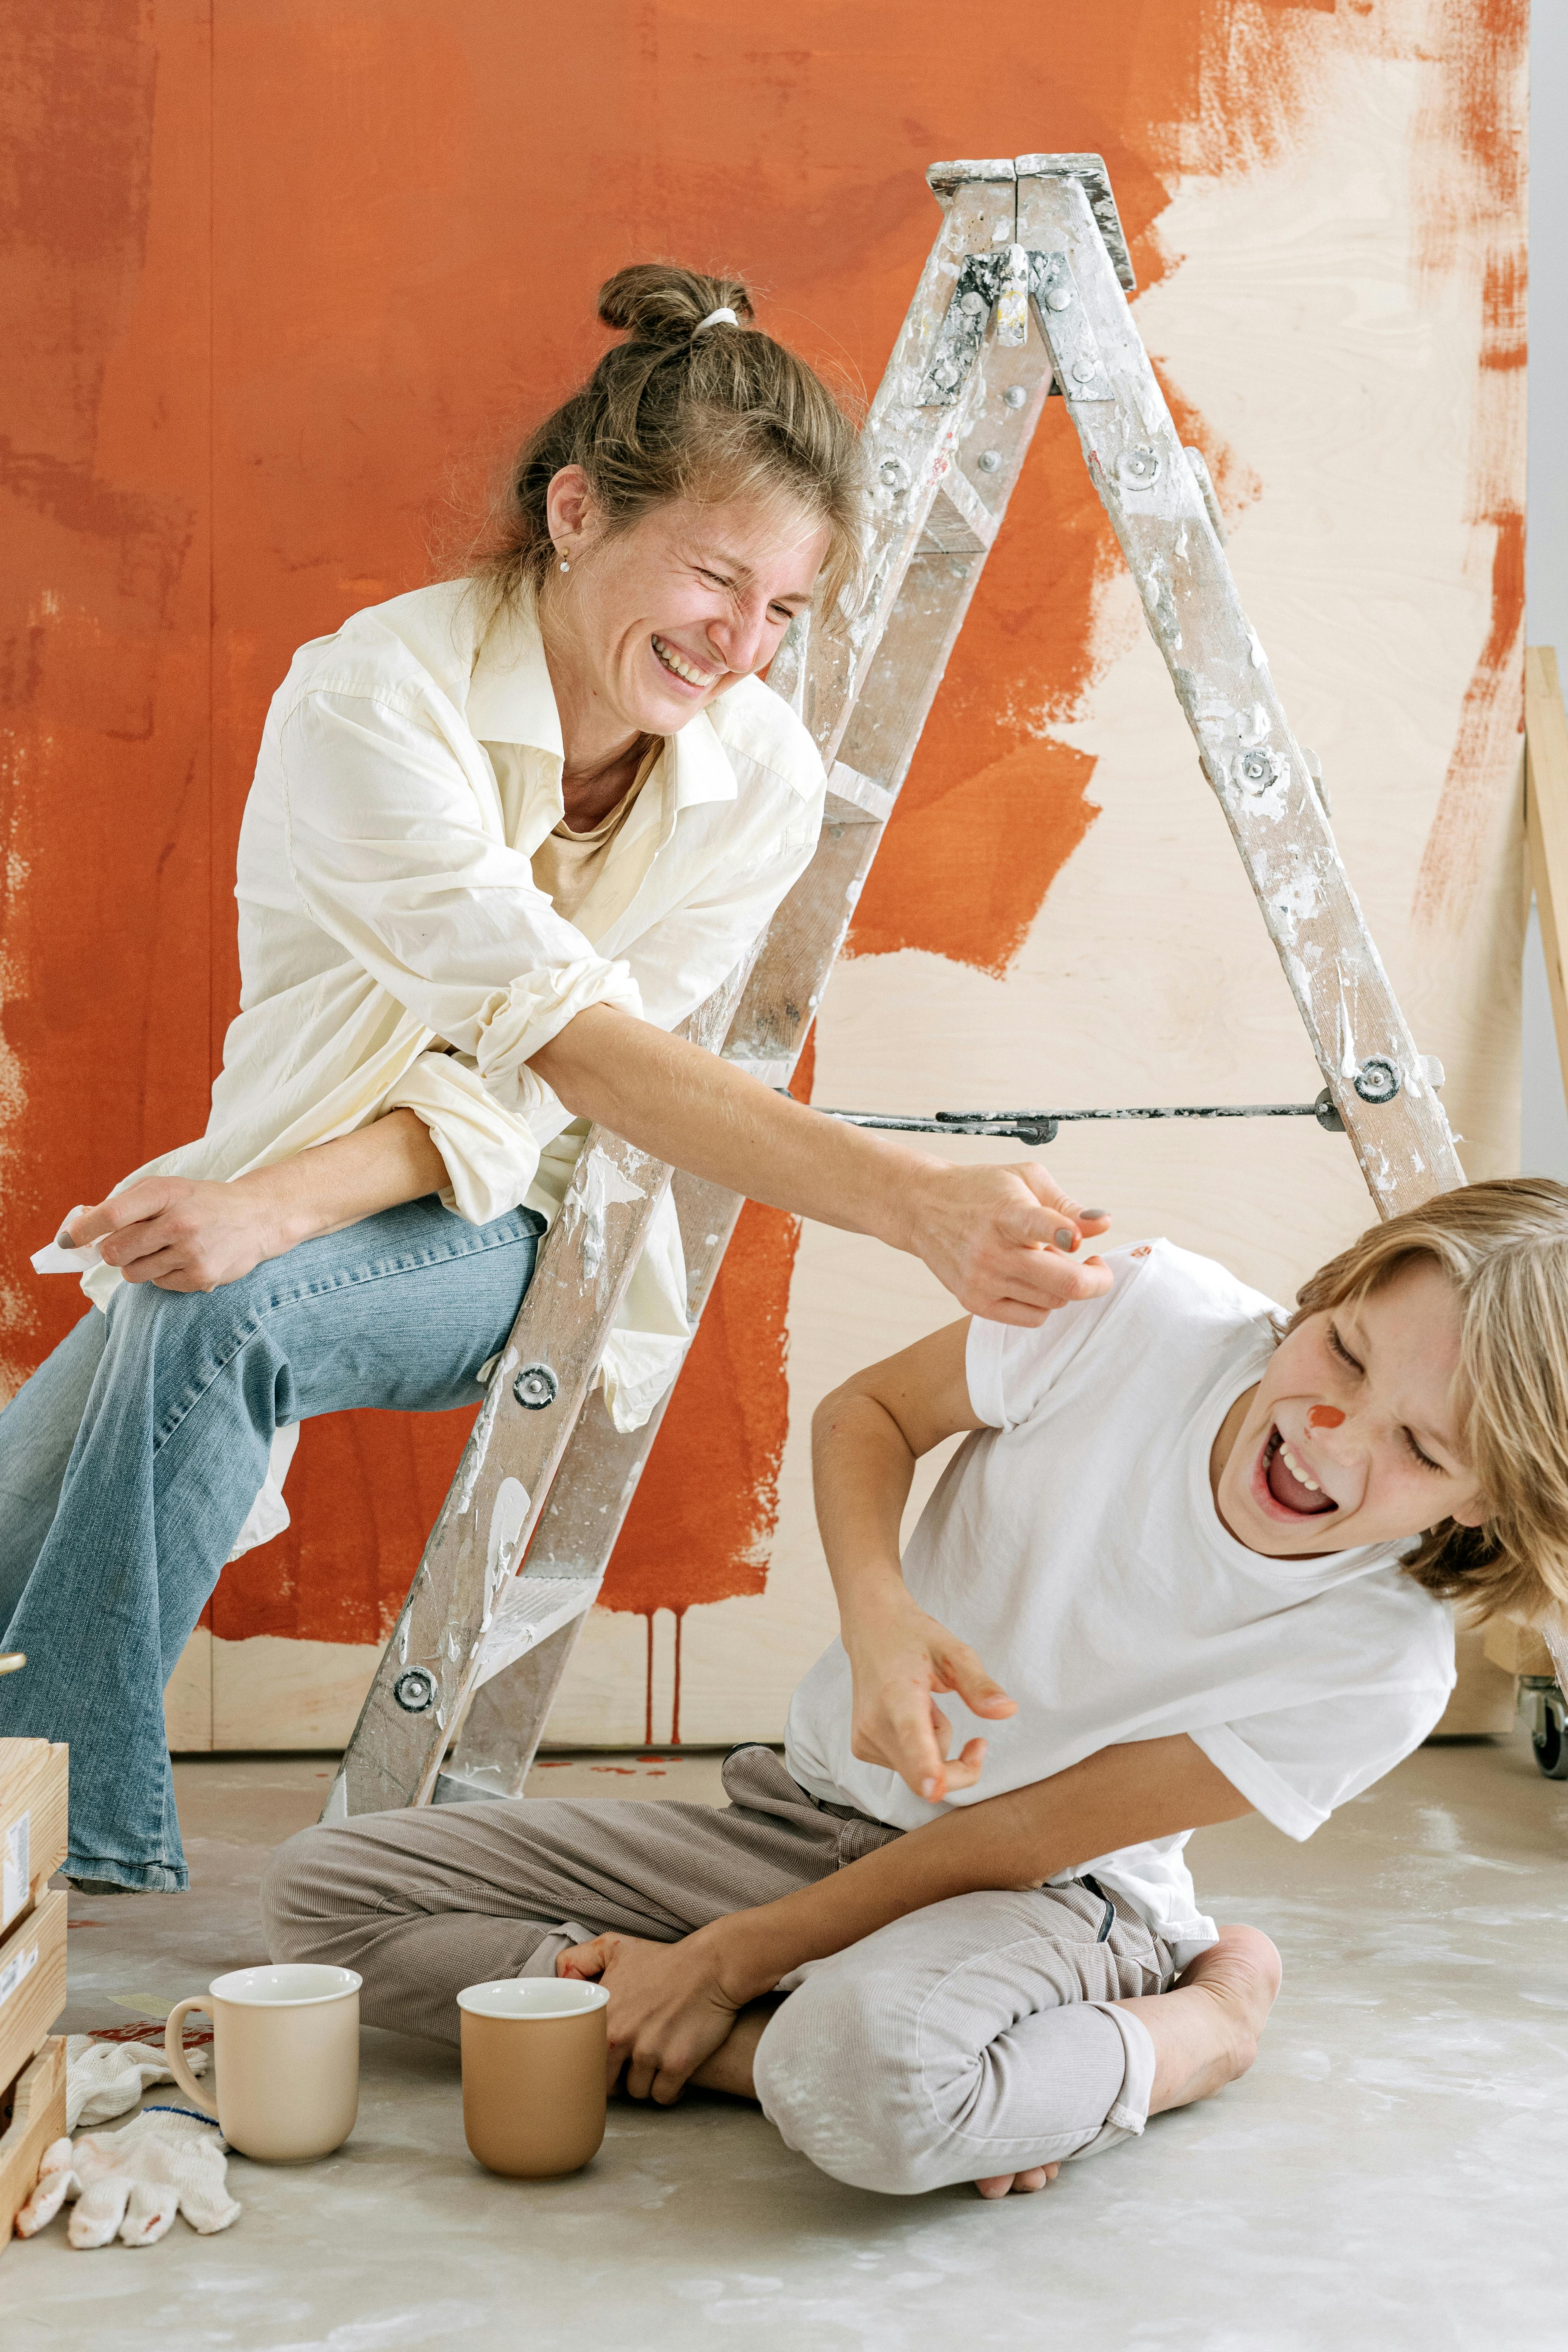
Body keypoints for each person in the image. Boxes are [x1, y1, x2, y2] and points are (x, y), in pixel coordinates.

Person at [0, 263, 1112, 1894]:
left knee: (205, 1315)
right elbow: (555, 1029)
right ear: (578, 510)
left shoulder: (761, 780)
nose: (742, 647)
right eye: (717, 580)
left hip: (539, 1228)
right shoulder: (377, 700)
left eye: (786, 611)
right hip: (300, 1189)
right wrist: (257, 1198)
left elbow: (576, 1090)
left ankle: (76, 1879)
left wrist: (267, 1213)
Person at [263, 1179, 1568, 2198]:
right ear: (1330, 1291)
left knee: (867, 2095)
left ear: (1492, 1500)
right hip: (798, 1822)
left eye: (1417, 1444)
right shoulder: (1139, 1316)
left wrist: (719, 1963)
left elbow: (1016, 1835)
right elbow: (866, 1416)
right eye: (1342, 1353)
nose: (1331, 1431)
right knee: (322, 1897)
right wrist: (881, 1622)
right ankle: (766, 2040)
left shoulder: (1376, 1664)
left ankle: (1204, 2027)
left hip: (1043, 1900)